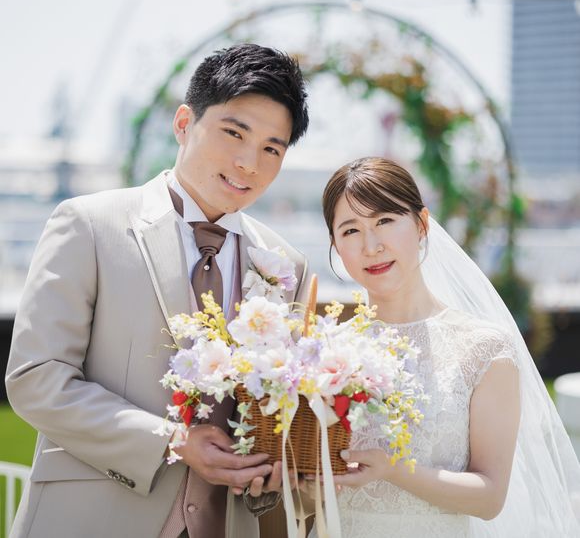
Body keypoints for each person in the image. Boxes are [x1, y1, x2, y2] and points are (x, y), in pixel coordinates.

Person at [5, 43, 310, 538]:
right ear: (184, 123)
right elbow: (35, 378)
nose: (249, 162)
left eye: (271, 149)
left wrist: (270, 466)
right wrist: (170, 440)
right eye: (234, 133)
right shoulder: (89, 224)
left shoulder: (284, 263)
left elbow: (272, 411)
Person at [308, 157, 580, 537]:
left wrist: (393, 470)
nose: (371, 246)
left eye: (385, 221)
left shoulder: (485, 349)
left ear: (421, 225)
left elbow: (489, 497)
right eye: (351, 230)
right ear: (335, 245)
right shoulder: (323, 352)